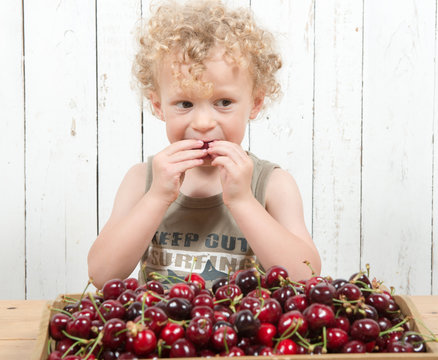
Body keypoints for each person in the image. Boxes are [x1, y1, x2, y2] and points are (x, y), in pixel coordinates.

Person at [88, 0, 321, 289]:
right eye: (184, 103)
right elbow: (100, 275)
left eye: (224, 102)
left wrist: (243, 200)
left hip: (242, 332)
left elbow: (307, 277)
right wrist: (157, 197)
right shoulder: (142, 181)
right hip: (162, 331)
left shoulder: (272, 184)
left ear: (255, 103)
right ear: (159, 106)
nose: (202, 122)